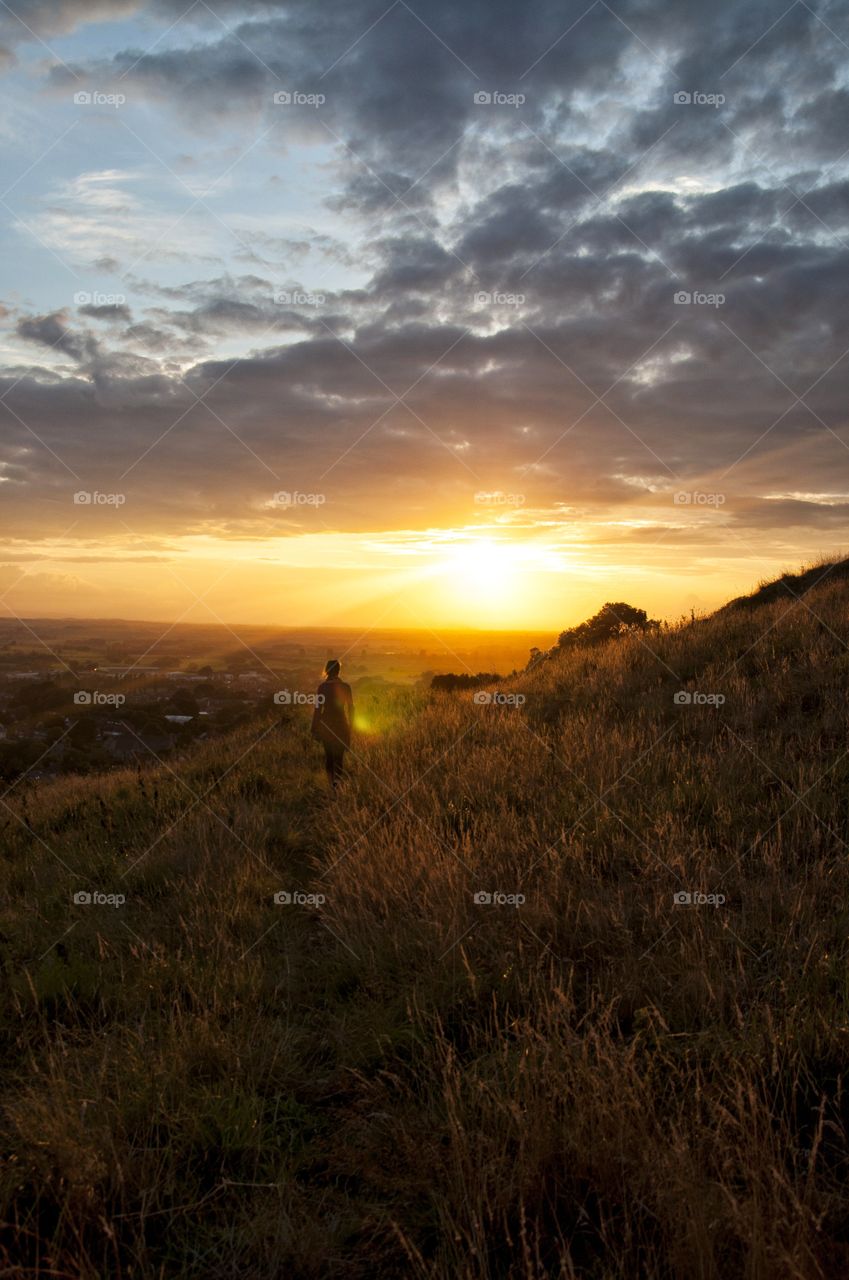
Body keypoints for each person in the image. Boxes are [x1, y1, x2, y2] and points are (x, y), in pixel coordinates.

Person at [310, 659, 354, 789]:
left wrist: (314, 728)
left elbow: (318, 709)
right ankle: (337, 784)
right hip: (342, 724)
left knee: (329, 757)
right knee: (339, 758)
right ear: (339, 671)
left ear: (327, 670)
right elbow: (351, 708)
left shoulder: (322, 688)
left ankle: (331, 785)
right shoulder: (346, 687)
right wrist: (351, 726)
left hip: (326, 725)